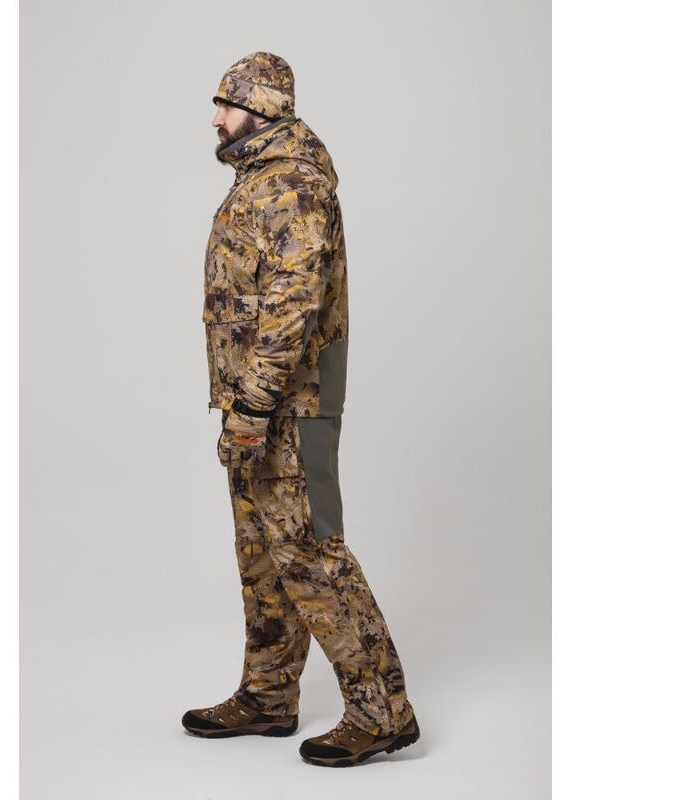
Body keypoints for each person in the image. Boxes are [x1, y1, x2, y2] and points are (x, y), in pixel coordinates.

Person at [182, 51, 420, 767]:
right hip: (254, 406)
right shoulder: (260, 179)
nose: (216, 118)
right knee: (262, 553)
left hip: (289, 406)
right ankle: (267, 695)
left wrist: (254, 405)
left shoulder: (293, 183)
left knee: (310, 552)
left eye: (226, 104)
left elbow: (292, 305)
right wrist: (242, 405)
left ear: (261, 108)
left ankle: (383, 713)